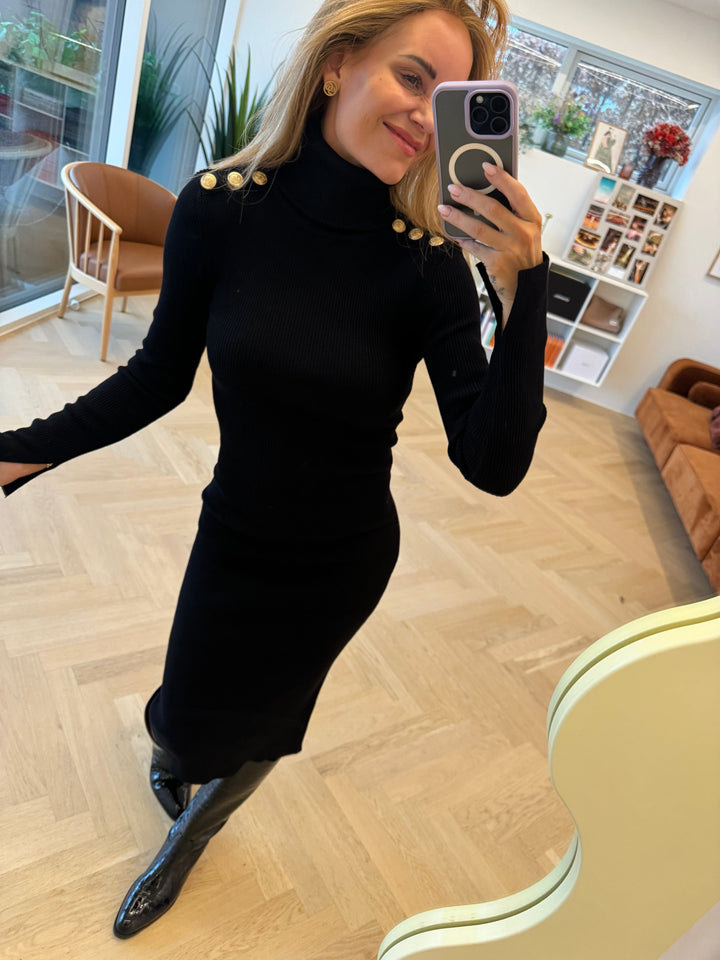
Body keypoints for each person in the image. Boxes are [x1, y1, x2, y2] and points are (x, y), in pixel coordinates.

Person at [0, 0, 548, 939]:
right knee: (181, 718)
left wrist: (524, 285)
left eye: (448, 97)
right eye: (412, 77)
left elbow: (493, 465)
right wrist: (17, 453)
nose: (426, 116)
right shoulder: (222, 208)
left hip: (340, 562)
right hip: (234, 528)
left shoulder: (427, 265)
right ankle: (183, 763)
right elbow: (157, 378)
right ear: (338, 65)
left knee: (264, 726)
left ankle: (185, 846)